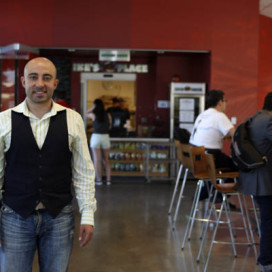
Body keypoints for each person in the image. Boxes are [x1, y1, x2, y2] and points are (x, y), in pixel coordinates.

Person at [0, 57, 96, 272]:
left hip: (59, 217)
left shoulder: (73, 119)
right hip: (14, 216)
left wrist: (88, 215)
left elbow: (84, 172)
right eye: (33, 77)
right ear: (23, 81)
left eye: (46, 78)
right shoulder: (4, 120)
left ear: (55, 83)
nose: (40, 84)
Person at [238, 92, 272, 272]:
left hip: (253, 179)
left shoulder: (254, 118)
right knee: (269, 220)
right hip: (264, 182)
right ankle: (266, 261)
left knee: (267, 219)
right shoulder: (269, 121)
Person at [189, 89, 237, 201]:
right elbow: (236, 135)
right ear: (220, 102)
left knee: (222, 168)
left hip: (197, 156)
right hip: (210, 157)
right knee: (237, 167)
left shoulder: (202, 115)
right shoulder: (219, 116)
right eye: (225, 101)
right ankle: (219, 196)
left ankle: (207, 192)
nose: (225, 104)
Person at [86, 99, 112, 186]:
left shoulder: (93, 115)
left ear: (95, 106)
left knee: (97, 160)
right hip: (105, 137)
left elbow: (86, 113)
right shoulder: (108, 115)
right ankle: (108, 180)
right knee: (106, 160)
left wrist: (93, 107)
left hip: (96, 137)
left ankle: (99, 180)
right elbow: (110, 127)